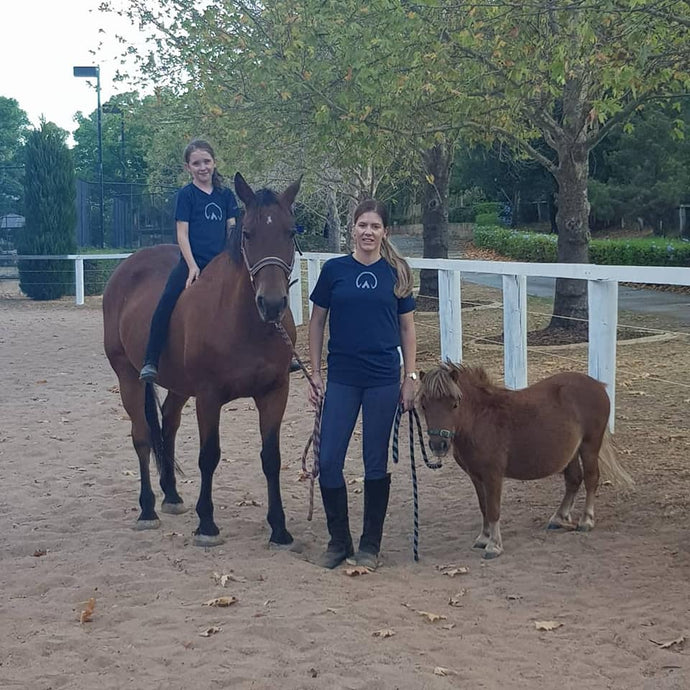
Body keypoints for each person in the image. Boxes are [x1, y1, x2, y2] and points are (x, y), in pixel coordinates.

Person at [308, 199, 417, 569]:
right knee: (328, 459)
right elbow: (317, 322)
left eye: (375, 226)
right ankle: (339, 541)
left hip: (383, 378)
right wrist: (316, 372)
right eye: (362, 225)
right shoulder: (334, 270)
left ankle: (370, 545)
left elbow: (407, 328)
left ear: (384, 231)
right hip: (342, 376)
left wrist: (411, 377)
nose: (368, 232)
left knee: (375, 460)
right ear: (353, 229)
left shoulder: (396, 273)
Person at [139, 139, 239, 382]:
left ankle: (279, 351)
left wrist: (229, 261)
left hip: (222, 262)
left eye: (206, 161)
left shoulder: (226, 195)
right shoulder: (186, 195)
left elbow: (232, 229)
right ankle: (151, 360)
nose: (202, 167)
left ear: (214, 162)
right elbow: (182, 234)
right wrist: (192, 265)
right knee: (167, 300)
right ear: (188, 168)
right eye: (196, 163)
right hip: (193, 263)